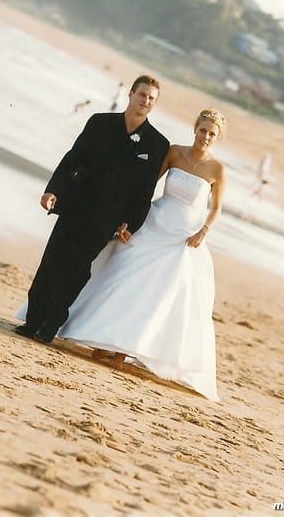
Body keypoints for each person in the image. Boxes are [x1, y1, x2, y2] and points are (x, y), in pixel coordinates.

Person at [56, 108, 227, 400]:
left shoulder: (217, 170)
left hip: (182, 239)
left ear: (217, 137)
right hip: (155, 223)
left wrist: (204, 231)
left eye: (212, 134)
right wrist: (128, 215)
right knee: (122, 276)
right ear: (195, 128)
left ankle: (122, 352)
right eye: (203, 130)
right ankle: (103, 336)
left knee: (157, 294)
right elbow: (147, 185)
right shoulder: (174, 153)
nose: (206, 137)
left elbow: (215, 207)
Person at [14, 75, 170, 343]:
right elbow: (73, 157)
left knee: (76, 269)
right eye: (142, 94)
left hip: (106, 219)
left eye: (151, 98)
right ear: (130, 94)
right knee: (52, 262)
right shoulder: (99, 122)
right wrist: (53, 190)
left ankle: (50, 326)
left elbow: (145, 191)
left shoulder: (157, 144)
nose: (146, 101)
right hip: (75, 204)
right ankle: (33, 321)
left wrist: (130, 223)